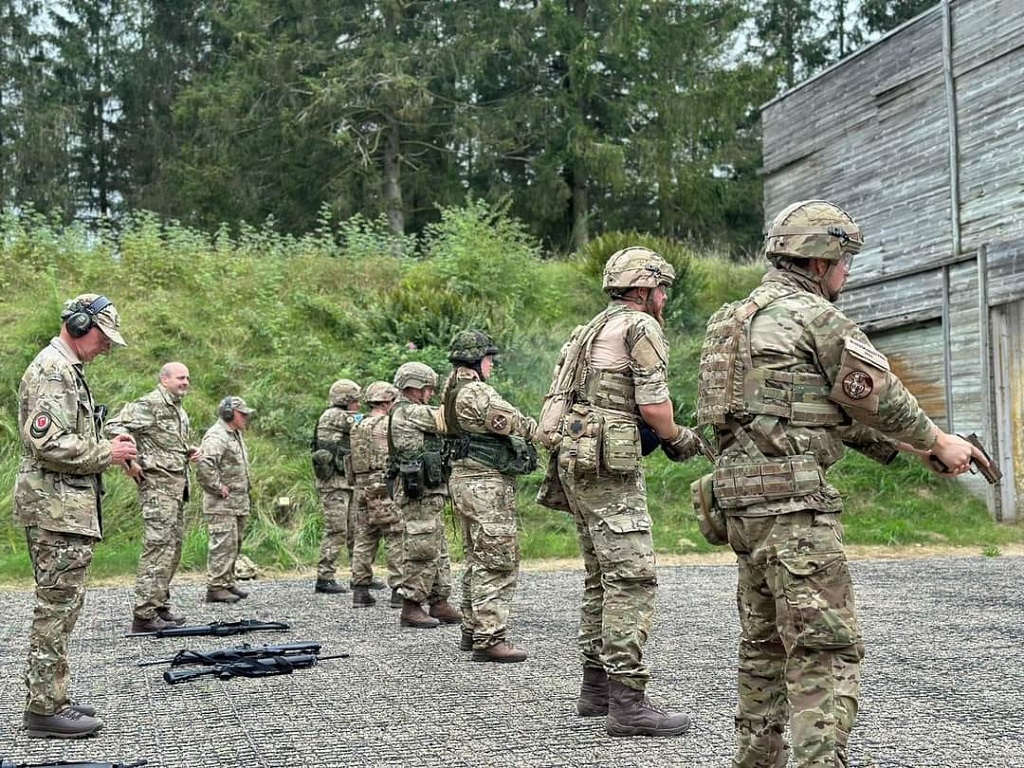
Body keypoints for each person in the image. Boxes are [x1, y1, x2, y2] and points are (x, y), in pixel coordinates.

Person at [695, 199, 987, 768]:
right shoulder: (815, 317)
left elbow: (805, 408)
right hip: (794, 511)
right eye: (845, 261)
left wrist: (909, 448)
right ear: (819, 261)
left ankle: (756, 760)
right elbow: (877, 396)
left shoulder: (730, 321)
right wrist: (938, 440)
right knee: (824, 649)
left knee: (763, 647)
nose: (847, 274)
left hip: (741, 505)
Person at [541, 248, 701, 737]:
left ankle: (596, 690)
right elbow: (654, 407)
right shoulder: (639, 326)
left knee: (600, 577)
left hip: (576, 458)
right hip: (608, 465)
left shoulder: (590, 328)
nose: (665, 297)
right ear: (643, 289)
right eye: (662, 289)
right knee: (632, 578)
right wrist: (678, 438)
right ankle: (628, 703)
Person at [15, 293, 137, 738]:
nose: (106, 347)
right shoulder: (53, 371)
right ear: (81, 326)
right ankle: (44, 709)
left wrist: (107, 445)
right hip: (56, 510)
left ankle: (52, 697)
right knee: (55, 609)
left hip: (63, 508)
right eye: (103, 337)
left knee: (63, 608)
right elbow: (47, 443)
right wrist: (107, 452)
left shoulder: (66, 369)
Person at [441, 330, 538, 663]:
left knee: (476, 557)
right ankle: (489, 637)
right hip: (485, 485)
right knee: (497, 560)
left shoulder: (451, 389)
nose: (492, 365)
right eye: (489, 359)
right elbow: (512, 422)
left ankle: (472, 629)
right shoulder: (477, 391)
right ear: (476, 360)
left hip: (464, 481)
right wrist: (548, 433)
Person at [105, 362, 199, 632]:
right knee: (158, 548)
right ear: (164, 379)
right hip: (157, 487)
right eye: (180, 378)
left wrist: (188, 450)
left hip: (176, 488)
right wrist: (130, 461)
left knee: (172, 549)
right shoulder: (150, 404)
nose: (185, 382)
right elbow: (113, 426)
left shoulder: (177, 408)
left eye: (187, 378)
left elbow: (166, 442)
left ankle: (158, 605)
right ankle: (144, 615)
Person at [388, 362, 461, 629]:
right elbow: (447, 420)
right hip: (418, 491)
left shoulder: (410, 410)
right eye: (427, 389)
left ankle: (438, 601)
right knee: (422, 546)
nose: (430, 393)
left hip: (429, 490)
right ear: (414, 387)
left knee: (437, 546)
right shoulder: (408, 411)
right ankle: (411, 605)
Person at [348, 380, 404, 608]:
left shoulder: (357, 424)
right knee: (395, 535)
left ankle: (360, 590)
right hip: (383, 486)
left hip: (361, 486)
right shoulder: (388, 424)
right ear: (386, 401)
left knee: (364, 536)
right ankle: (399, 590)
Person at [196, 396, 254, 604]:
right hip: (221, 504)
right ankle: (216, 587)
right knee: (222, 545)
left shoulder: (235, 435)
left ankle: (226, 582)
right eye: (242, 414)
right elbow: (204, 465)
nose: (246, 417)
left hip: (236, 503)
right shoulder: (217, 436)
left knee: (233, 544)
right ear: (229, 414)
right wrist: (218, 487)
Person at [310, 378, 364, 594]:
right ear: (345, 400)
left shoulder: (341, 416)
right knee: (337, 530)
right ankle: (325, 576)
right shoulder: (333, 415)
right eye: (355, 401)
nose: (358, 405)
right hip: (334, 483)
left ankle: (360, 575)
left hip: (346, 482)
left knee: (355, 530)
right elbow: (362, 423)